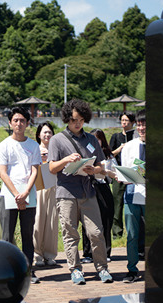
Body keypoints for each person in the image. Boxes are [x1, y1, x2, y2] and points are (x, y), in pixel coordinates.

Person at [47, 98, 113, 284]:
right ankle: (75, 270)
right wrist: (67, 160)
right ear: (67, 118)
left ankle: (102, 269)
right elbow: (52, 167)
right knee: (70, 234)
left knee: (96, 233)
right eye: (75, 119)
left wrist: (96, 170)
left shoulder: (92, 139)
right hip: (66, 192)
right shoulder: (56, 140)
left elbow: (101, 166)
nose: (78, 123)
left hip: (88, 191)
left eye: (81, 120)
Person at [0, 107, 41, 284]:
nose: (19, 123)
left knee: (28, 234)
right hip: (8, 195)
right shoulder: (4, 145)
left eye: (22, 120)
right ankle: (7, 271)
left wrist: (26, 192)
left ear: (27, 123)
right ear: (10, 123)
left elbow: (35, 170)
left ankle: (28, 270)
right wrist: (16, 194)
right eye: (15, 120)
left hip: (28, 193)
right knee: (7, 235)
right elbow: (3, 172)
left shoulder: (33, 145)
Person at [81, 129, 116, 263]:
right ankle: (88, 252)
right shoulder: (85, 154)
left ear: (102, 140)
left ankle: (105, 252)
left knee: (106, 218)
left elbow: (115, 174)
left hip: (104, 187)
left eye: (98, 139)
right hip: (89, 187)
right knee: (88, 219)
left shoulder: (108, 156)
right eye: (93, 138)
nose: (96, 141)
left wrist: (106, 172)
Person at [121, 110, 146, 283]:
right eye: (140, 124)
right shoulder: (129, 146)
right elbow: (124, 170)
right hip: (132, 194)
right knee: (131, 235)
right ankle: (132, 269)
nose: (142, 128)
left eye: (145, 124)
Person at [32, 121, 58, 267]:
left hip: (54, 187)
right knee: (38, 220)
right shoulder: (35, 149)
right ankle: (37, 254)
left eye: (49, 132)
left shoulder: (56, 149)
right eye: (44, 132)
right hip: (39, 187)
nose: (47, 135)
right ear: (39, 134)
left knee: (52, 222)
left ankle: (50, 254)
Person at [109, 112, 136, 240]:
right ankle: (117, 234)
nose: (124, 123)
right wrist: (120, 149)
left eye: (127, 121)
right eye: (122, 120)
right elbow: (108, 155)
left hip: (133, 173)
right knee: (117, 203)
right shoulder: (116, 137)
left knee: (133, 204)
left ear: (132, 123)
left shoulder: (136, 137)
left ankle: (133, 232)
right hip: (118, 173)